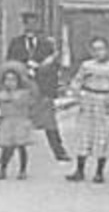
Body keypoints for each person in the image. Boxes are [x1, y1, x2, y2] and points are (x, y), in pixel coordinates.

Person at [6, 12, 69, 161]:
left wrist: (51, 91)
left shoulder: (46, 44)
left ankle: (59, 152)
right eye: (28, 23)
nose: (32, 26)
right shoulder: (16, 43)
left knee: (49, 123)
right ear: (24, 24)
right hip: (23, 90)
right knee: (16, 121)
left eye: (35, 23)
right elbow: (10, 64)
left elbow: (54, 68)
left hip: (42, 89)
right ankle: (7, 155)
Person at [66, 37, 109, 183]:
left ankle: (99, 172)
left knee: (102, 136)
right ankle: (79, 170)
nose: (99, 53)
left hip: (105, 102)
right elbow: (77, 81)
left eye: (101, 49)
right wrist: (78, 94)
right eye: (95, 49)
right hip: (88, 101)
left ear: (107, 50)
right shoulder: (86, 66)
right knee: (84, 135)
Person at [0, 68, 36, 180]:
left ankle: (22, 170)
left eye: (13, 80)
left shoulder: (23, 93)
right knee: (6, 147)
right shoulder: (0, 94)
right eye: (7, 79)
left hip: (20, 121)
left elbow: (22, 102)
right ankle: (2, 169)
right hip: (6, 121)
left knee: (21, 146)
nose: (10, 82)